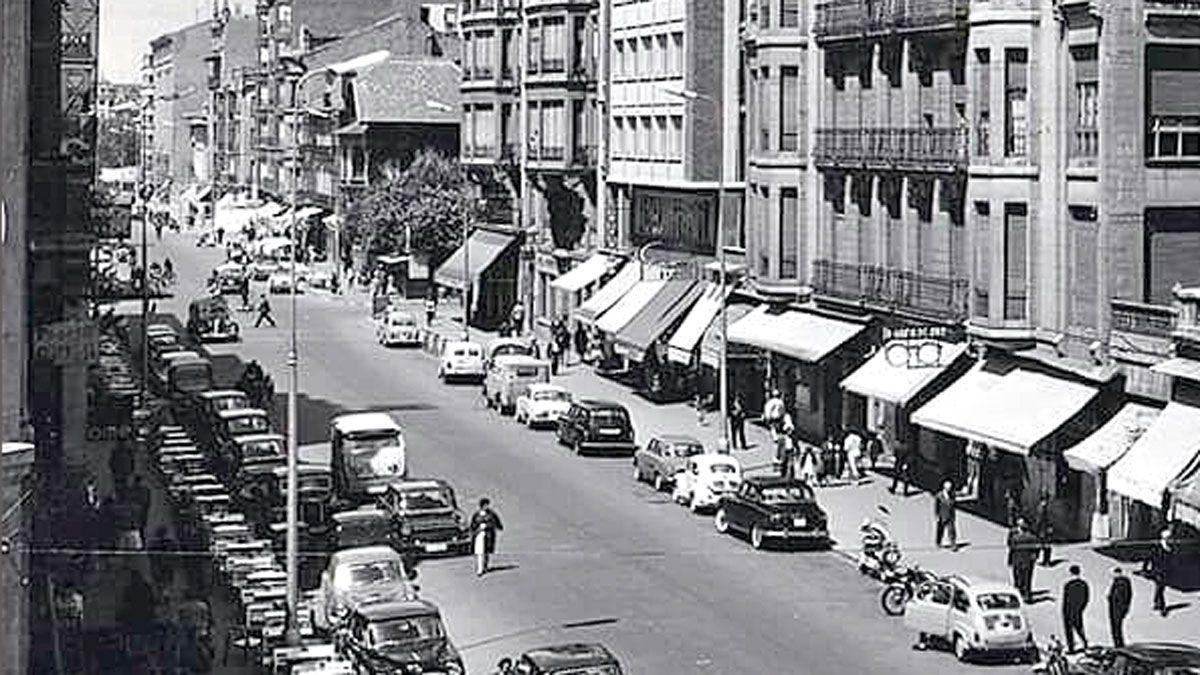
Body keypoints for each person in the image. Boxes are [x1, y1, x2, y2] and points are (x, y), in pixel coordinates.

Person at [1007, 518, 1039, 602]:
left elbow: (1011, 549)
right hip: (1028, 562)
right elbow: (1036, 549)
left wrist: (1009, 560)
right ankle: (1027, 596)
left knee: (1017, 579)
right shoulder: (1033, 538)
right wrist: (1035, 557)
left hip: (1016, 561)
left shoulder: (1015, 538)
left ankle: (1017, 596)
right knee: (1027, 579)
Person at [470, 498, 504, 576]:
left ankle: (485, 566)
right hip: (478, 535)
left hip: (488, 535)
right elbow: (472, 525)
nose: (487, 506)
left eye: (487, 505)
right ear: (481, 506)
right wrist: (476, 530)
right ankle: (479, 569)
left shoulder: (491, 514)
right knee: (479, 552)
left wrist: (495, 527)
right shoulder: (476, 515)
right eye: (485, 505)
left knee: (486, 551)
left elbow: (496, 522)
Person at [1062, 565, 1090, 653]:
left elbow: (1065, 599)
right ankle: (1084, 642)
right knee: (1079, 627)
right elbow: (1086, 598)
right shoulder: (1084, 584)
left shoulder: (1068, 585)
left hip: (1068, 610)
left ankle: (1071, 648)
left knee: (1068, 630)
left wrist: (1064, 610)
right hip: (1078, 610)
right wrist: (1081, 608)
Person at [1107, 567, 1132, 648]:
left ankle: (1118, 645)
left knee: (1116, 627)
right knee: (1116, 627)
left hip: (1117, 608)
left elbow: (1121, 596)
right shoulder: (1122, 581)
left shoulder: (1121, 582)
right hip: (1117, 608)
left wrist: (1111, 597)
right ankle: (1118, 644)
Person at [1151, 525, 1172, 615]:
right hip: (1160, 571)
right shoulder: (1162, 548)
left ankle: (1158, 604)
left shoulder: (1166, 548)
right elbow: (1155, 559)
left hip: (1162, 571)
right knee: (1159, 589)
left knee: (1159, 589)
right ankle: (1160, 605)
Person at [935, 480, 957, 550]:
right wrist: (937, 515)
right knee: (940, 530)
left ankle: (953, 544)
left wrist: (953, 515)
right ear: (945, 488)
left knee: (952, 530)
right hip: (942, 515)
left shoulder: (952, 495)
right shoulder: (939, 495)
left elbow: (953, 505)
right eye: (948, 488)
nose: (949, 489)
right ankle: (938, 542)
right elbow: (937, 506)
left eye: (950, 488)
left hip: (950, 515)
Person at [1034, 495, 1054, 566]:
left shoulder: (1042, 508)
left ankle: (1045, 560)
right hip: (1043, 530)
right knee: (1044, 546)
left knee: (1044, 546)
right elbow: (1039, 520)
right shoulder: (1042, 508)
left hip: (1044, 530)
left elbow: (1039, 520)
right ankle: (1045, 560)